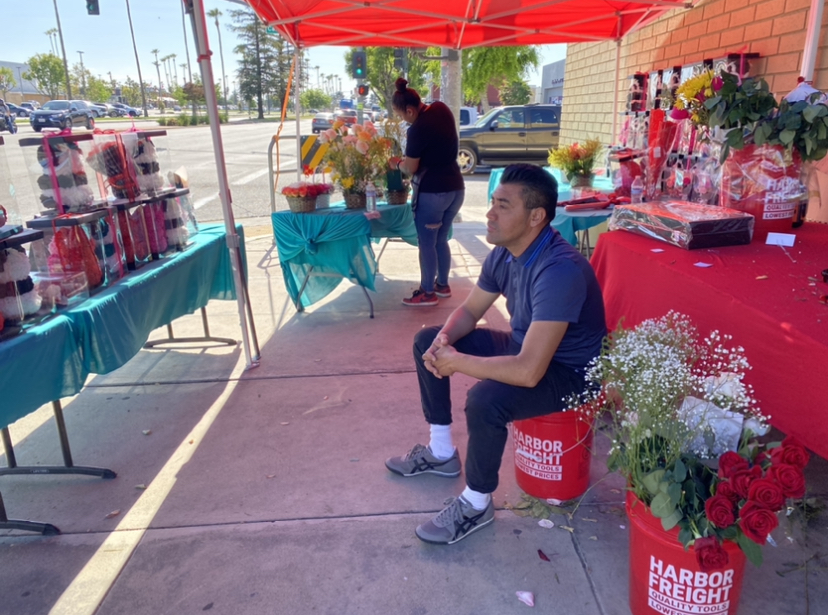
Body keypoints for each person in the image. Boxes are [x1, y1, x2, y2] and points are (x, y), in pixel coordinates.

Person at [385, 164, 607, 545]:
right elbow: (470, 311)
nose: (489, 214)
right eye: (492, 203)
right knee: (427, 339)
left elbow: (528, 372)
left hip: (569, 373)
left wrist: (457, 362)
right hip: (527, 347)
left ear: (536, 216)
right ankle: (441, 451)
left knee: (485, 400)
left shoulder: (559, 270)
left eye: (503, 206)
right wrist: (444, 342)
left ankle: (476, 502)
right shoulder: (505, 252)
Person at [389, 78, 465, 307]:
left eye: (401, 115)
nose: (402, 120)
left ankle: (427, 292)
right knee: (442, 239)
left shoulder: (417, 130)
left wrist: (397, 163)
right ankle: (442, 285)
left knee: (427, 243)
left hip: (433, 193)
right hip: (456, 189)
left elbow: (410, 168)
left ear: (410, 110)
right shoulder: (441, 108)